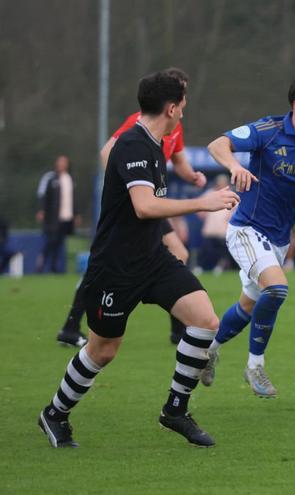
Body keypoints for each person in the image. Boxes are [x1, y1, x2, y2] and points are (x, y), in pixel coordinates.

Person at [36, 71, 240, 448]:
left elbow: (147, 209)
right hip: (116, 267)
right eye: (184, 102)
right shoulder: (133, 144)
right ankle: (54, 413)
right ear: (172, 107)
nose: (185, 110)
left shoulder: (156, 144)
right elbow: (144, 206)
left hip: (152, 260)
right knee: (103, 351)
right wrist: (204, 202)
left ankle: (175, 411)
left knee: (205, 320)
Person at [200, 74, 295, 398]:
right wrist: (234, 166)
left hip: (279, 241)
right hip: (246, 229)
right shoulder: (268, 131)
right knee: (277, 288)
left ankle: (208, 350)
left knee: (248, 305)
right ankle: (255, 365)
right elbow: (218, 145)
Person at [55, 68, 205, 348]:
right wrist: (124, 183)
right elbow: (108, 151)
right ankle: (72, 324)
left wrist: (194, 177)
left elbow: (180, 162)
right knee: (108, 267)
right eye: (181, 95)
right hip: (140, 203)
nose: (184, 103)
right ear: (170, 102)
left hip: (152, 201)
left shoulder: (175, 128)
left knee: (179, 252)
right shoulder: (141, 125)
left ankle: (178, 330)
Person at [36, 155, 78, 273]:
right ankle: (40, 266)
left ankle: (54, 268)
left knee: (60, 243)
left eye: (64, 162)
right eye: (60, 162)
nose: (62, 164)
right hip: (53, 218)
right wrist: (41, 210)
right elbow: (42, 195)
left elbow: (73, 199)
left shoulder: (70, 179)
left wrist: (76, 214)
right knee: (50, 242)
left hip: (67, 218)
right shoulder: (50, 178)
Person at [196, 175, 234, 274]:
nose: (221, 185)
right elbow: (199, 207)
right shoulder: (209, 193)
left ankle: (220, 268)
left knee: (223, 252)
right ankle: (199, 267)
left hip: (223, 231)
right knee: (205, 251)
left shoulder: (231, 195)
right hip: (209, 230)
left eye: (223, 183)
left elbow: (235, 212)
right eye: (219, 183)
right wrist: (204, 215)